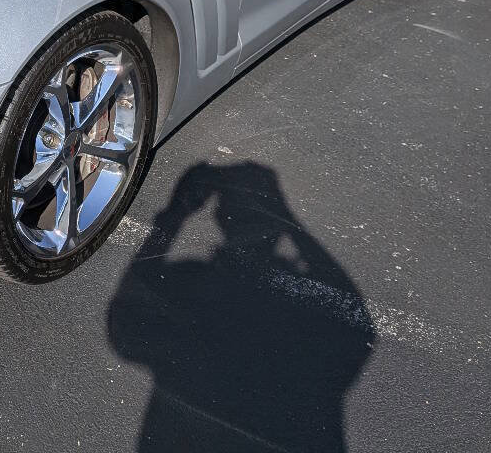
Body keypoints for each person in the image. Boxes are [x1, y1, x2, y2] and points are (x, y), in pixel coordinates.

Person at [108, 161, 374, 452]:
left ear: (219, 217)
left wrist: (175, 215)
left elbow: (126, 316)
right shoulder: (289, 308)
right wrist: (286, 217)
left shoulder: (195, 281)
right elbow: (355, 319)